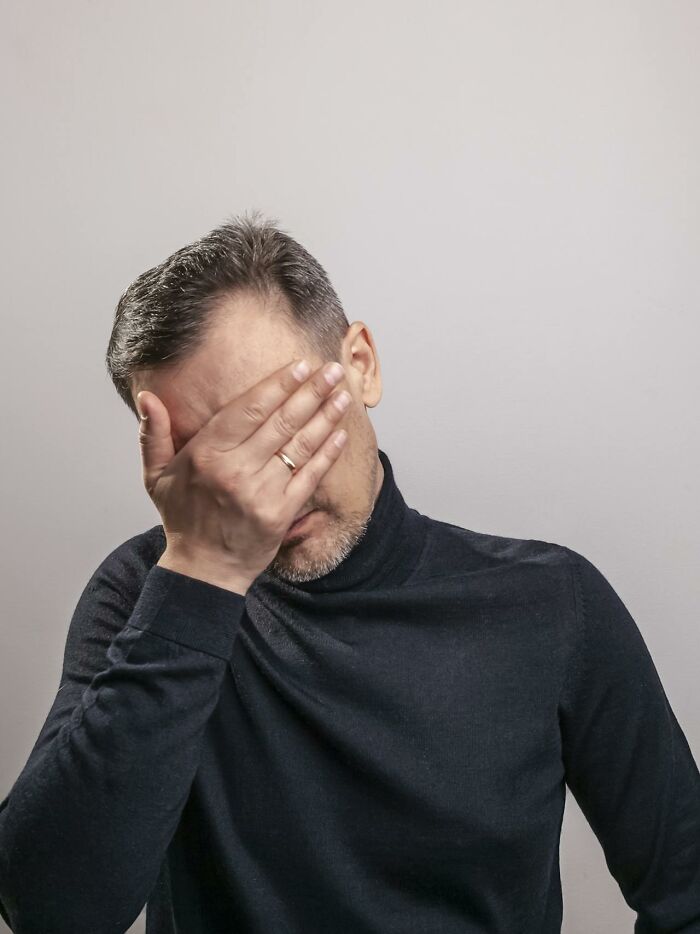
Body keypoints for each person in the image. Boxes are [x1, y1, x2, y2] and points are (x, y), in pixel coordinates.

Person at [1, 211, 698, 934]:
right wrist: (200, 575)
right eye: (209, 460)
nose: (264, 486)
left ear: (359, 364)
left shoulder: (552, 602)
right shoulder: (149, 592)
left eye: (280, 420)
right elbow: (54, 914)